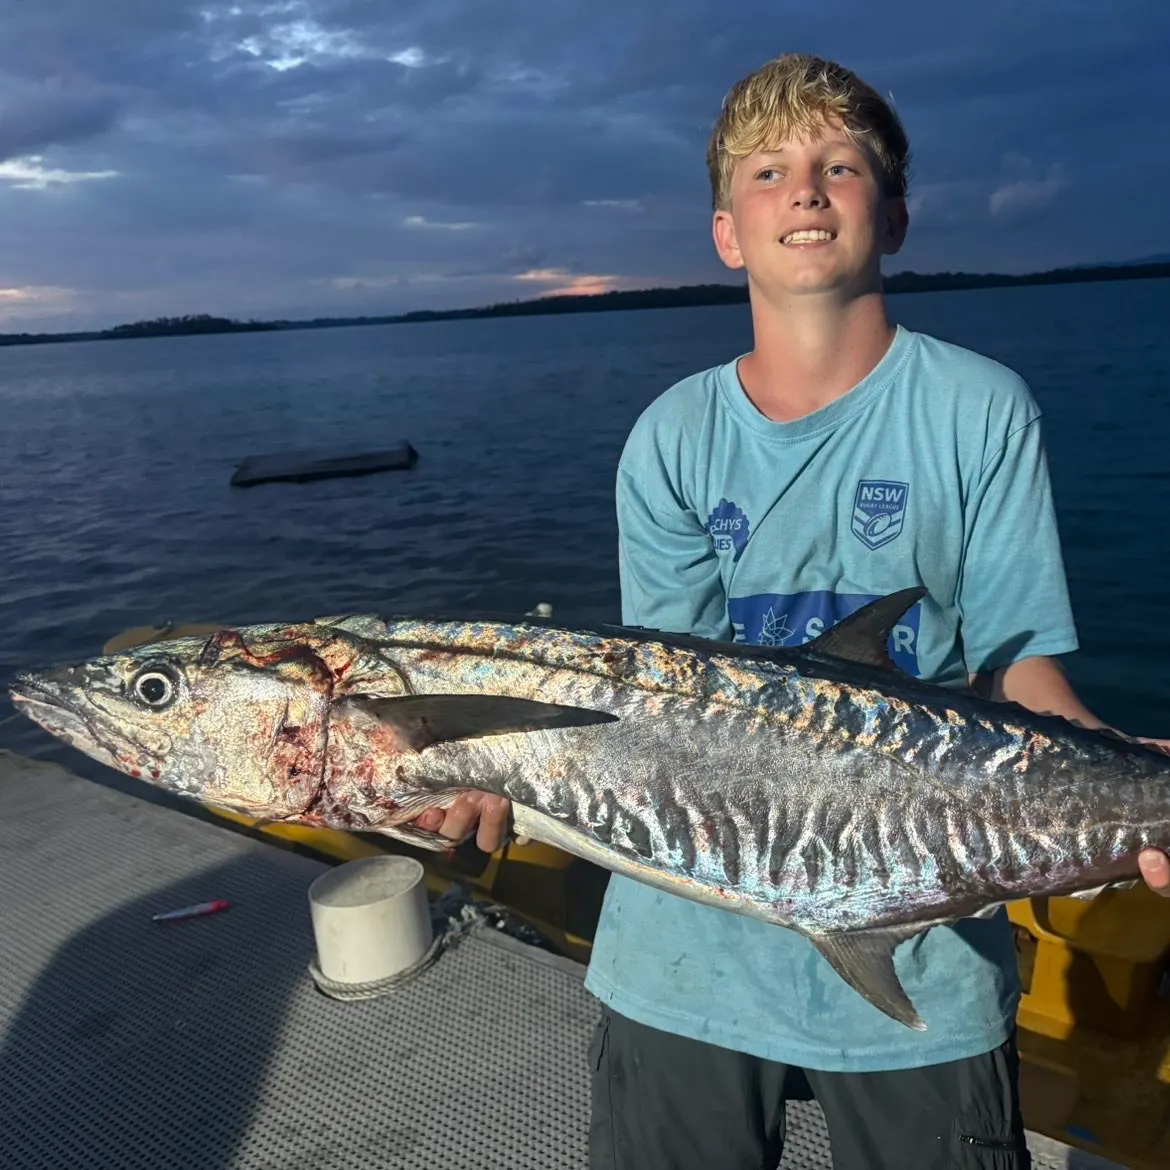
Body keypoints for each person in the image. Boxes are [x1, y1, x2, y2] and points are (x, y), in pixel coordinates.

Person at [414, 52, 1170, 1169]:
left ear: (895, 215)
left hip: (928, 948)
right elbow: (660, 707)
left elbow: (1016, 666)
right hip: (682, 966)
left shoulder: (978, 410)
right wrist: (499, 781)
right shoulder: (674, 436)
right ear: (727, 232)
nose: (805, 190)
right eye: (768, 170)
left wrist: (1121, 776)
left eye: (841, 166)